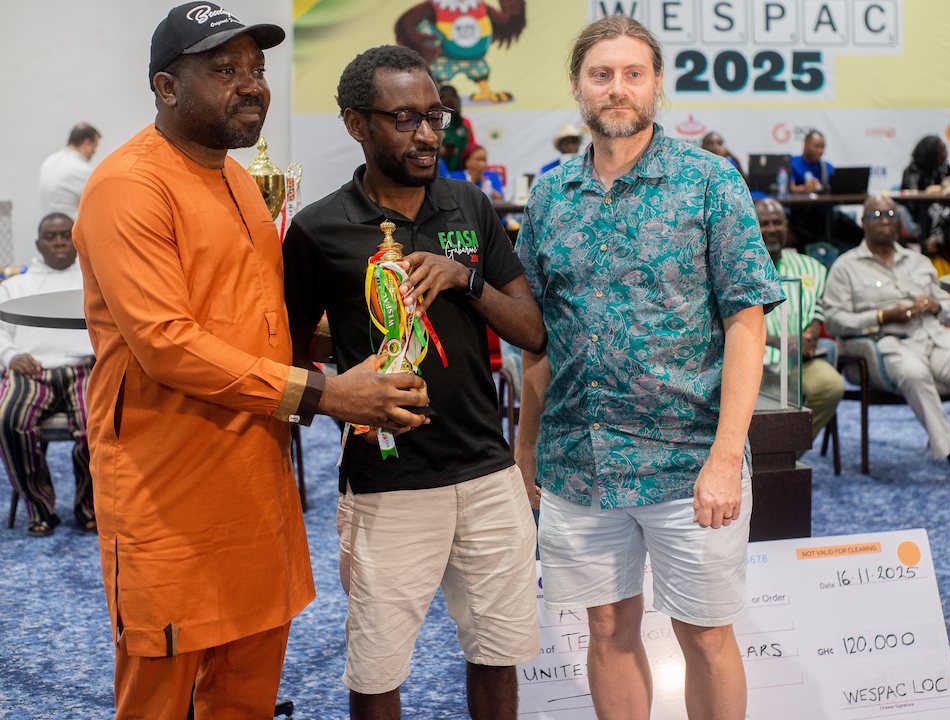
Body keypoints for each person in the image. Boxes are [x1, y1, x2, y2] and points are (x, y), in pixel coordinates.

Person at [73, 5, 429, 718]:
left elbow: (258, 317)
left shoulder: (238, 181)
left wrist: (376, 333)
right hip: (170, 493)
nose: (252, 85)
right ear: (167, 87)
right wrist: (326, 393)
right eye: (225, 70)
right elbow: (166, 342)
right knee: (161, 698)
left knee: (246, 693)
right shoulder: (129, 187)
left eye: (257, 69)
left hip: (256, 485)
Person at [515, 16, 784, 720]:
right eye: (601, 74)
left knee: (706, 636)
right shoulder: (549, 197)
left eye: (633, 74)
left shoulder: (710, 182)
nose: (618, 88)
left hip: (688, 461)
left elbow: (746, 324)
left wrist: (726, 457)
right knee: (606, 627)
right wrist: (526, 443)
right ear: (578, 85)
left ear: (657, 83)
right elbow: (536, 337)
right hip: (580, 461)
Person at [281, 45, 545, 720]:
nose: (428, 133)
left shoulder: (470, 206)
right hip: (386, 482)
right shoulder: (317, 229)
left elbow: (531, 330)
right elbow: (284, 353)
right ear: (356, 124)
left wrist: (465, 278)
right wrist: (343, 394)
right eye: (404, 118)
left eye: (435, 115)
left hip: (485, 471)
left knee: (497, 654)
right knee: (377, 671)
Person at [821, 195, 950, 498]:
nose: (884, 220)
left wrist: (934, 305)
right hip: (887, 345)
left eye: (890, 214)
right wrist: (882, 316)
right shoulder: (845, 268)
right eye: (876, 215)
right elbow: (833, 321)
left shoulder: (919, 261)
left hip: (934, 338)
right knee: (914, 372)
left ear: (899, 221)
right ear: (862, 222)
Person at [0, 213, 94, 536]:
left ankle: (89, 507)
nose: (59, 242)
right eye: (50, 237)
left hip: (85, 367)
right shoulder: (15, 286)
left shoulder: (94, 280)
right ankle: (40, 509)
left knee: (100, 421)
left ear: (76, 240)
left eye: (65, 235)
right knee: (8, 418)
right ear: (38, 244)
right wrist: (11, 356)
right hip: (31, 370)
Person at [756, 198, 843, 442]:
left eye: (777, 223)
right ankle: (768, 455)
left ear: (787, 226)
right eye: (764, 223)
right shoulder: (738, 268)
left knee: (830, 386)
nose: (772, 229)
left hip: (800, 361)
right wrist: (781, 341)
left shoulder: (810, 267)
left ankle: (791, 451)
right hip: (757, 362)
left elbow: (818, 306)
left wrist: (811, 333)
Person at [787, 129, 862, 252]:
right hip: (803, 216)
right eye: (817, 146)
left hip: (828, 214)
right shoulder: (792, 163)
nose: (820, 151)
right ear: (806, 144)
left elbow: (836, 187)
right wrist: (805, 188)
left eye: (823, 147)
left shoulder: (826, 167)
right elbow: (788, 188)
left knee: (857, 233)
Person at [901, 134, 950, 273]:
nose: (945, 154)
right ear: (930, 153)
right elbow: (911, 196)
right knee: (933, 210)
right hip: (918, 211)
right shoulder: (913, 170)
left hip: (942, 209)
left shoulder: (943, 167)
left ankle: (942, 250)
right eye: (941, 151)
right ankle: (931, 246)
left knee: (944, 211)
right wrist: (929, 194)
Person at [38, 123, 100, 219]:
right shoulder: (82, 170)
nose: (95, 152)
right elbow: (100, 201)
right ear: (86, 143)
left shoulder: (49, 161)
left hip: (45, 224)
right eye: (95, 146)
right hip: (69, 225)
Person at [438, 83, 474, 173]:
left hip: (461, 172)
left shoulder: (464, 124)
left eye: (451, 101)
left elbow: (471, 149)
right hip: (439, 172)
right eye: (444, 100)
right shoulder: (433, 123)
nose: (448, 105)